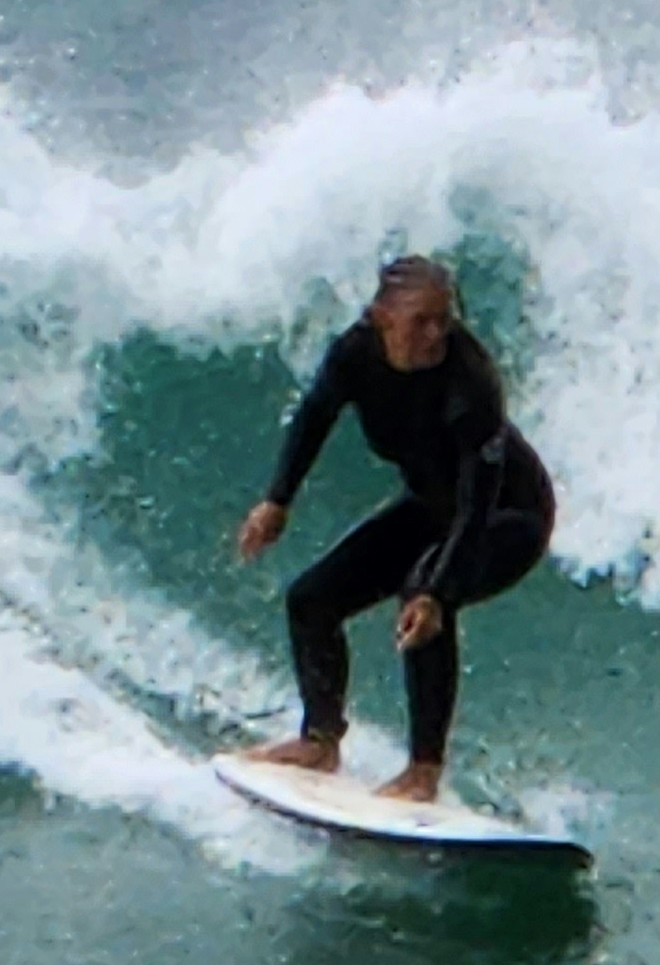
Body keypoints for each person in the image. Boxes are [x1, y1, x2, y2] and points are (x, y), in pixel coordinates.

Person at [234, 254, 558, 801]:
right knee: (311, 600)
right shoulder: (355, 354)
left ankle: (423, 771)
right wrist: (276, 502)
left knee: (423, 595)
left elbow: (477, 505)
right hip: (432, 505)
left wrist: (437, 593)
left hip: (509, 516)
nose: (436, 334)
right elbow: (315, 416)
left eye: (444, 320)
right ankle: (319, 740)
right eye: (421, 321)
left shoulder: (470, 381)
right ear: (382, 318)